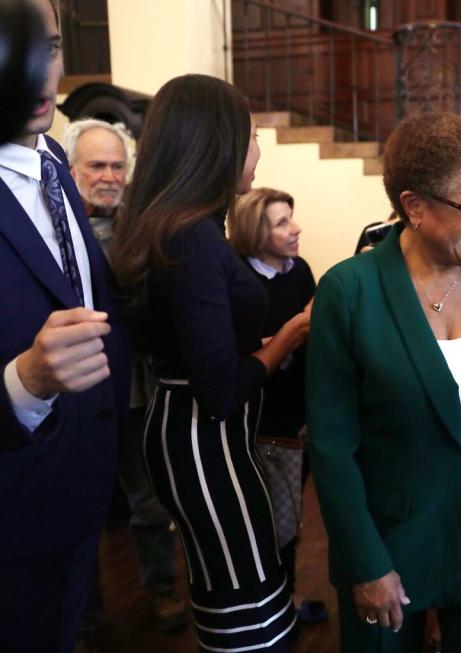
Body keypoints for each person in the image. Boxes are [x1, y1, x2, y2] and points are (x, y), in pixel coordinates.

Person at [307, 111, 461, 653]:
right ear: (414, 206)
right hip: (389, 542)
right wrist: (365, 561)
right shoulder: (349, 290)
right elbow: (331, 448)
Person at [111, 74, 310, 652]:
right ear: (216, 142)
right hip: (204, 441)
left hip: (195, 433)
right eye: (250, 136)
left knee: (231, 594)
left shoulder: (180, 227)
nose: (258, 149)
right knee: (248, 615)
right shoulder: (193, 238)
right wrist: (291, 334)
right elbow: (221, 390)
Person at [0, 1, 130, 651]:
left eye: (48, 48)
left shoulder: (54, 157)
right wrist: (22, 383)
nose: (35, 73)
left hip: (81, 494)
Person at [62, 118, 187, 648]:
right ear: (71, 170)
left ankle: (160, 589)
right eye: (97, 165)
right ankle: (83, 616)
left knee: (150, 504)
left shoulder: (143, 226)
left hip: (139, 388)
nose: (109, 176)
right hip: (76, 393)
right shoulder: (53, 229)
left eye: (117, 165)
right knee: (78, 512)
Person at [230, 187, 325, 623]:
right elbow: (242, 355)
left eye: (293, 217)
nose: (296, 228)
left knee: (289, 522)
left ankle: (284, 604)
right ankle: (270, 613)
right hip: (261, 421)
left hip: (300, 414)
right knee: (268, 526)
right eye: (282, 222)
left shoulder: (299, 269)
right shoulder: (239, 281)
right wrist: (295, 329)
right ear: (254, 230)